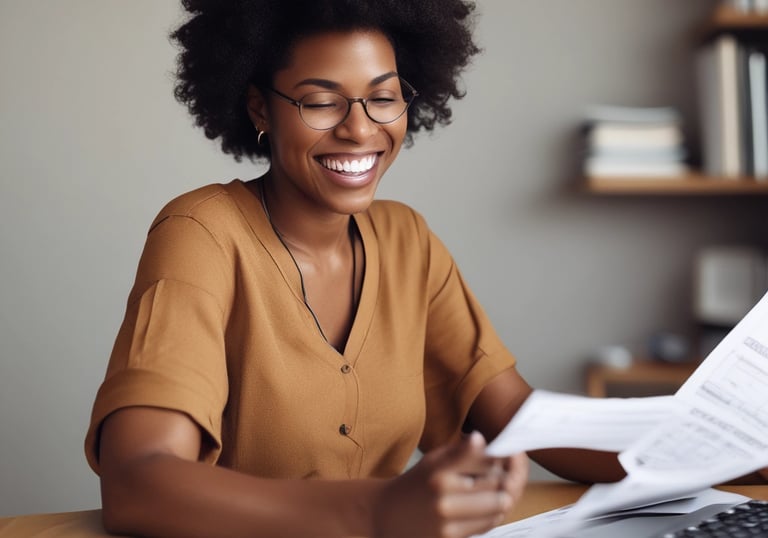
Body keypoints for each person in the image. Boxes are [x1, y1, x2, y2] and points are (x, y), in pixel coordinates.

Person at [84, 1, 630, 537]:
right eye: (321, 102)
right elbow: (137, 481)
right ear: (258, 109)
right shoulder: (201, 233)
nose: (360, 130)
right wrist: (376, 511)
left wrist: (693, 452)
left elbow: (514, 413)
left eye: (383, 98)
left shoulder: (406, 241)